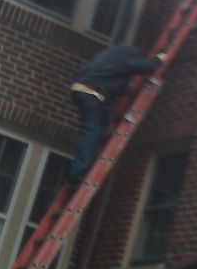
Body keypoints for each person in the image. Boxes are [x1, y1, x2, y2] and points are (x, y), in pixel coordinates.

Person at [67, 44, 167, 184]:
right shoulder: (128, 53)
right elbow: (147, 66)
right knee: (92, 131)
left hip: (85, 90)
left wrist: (125, 89)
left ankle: (84, 165)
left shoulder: (112, 57)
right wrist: (160, 58)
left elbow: (110, 79)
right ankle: (77, 174)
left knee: (100, 126)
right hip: (91, 93)